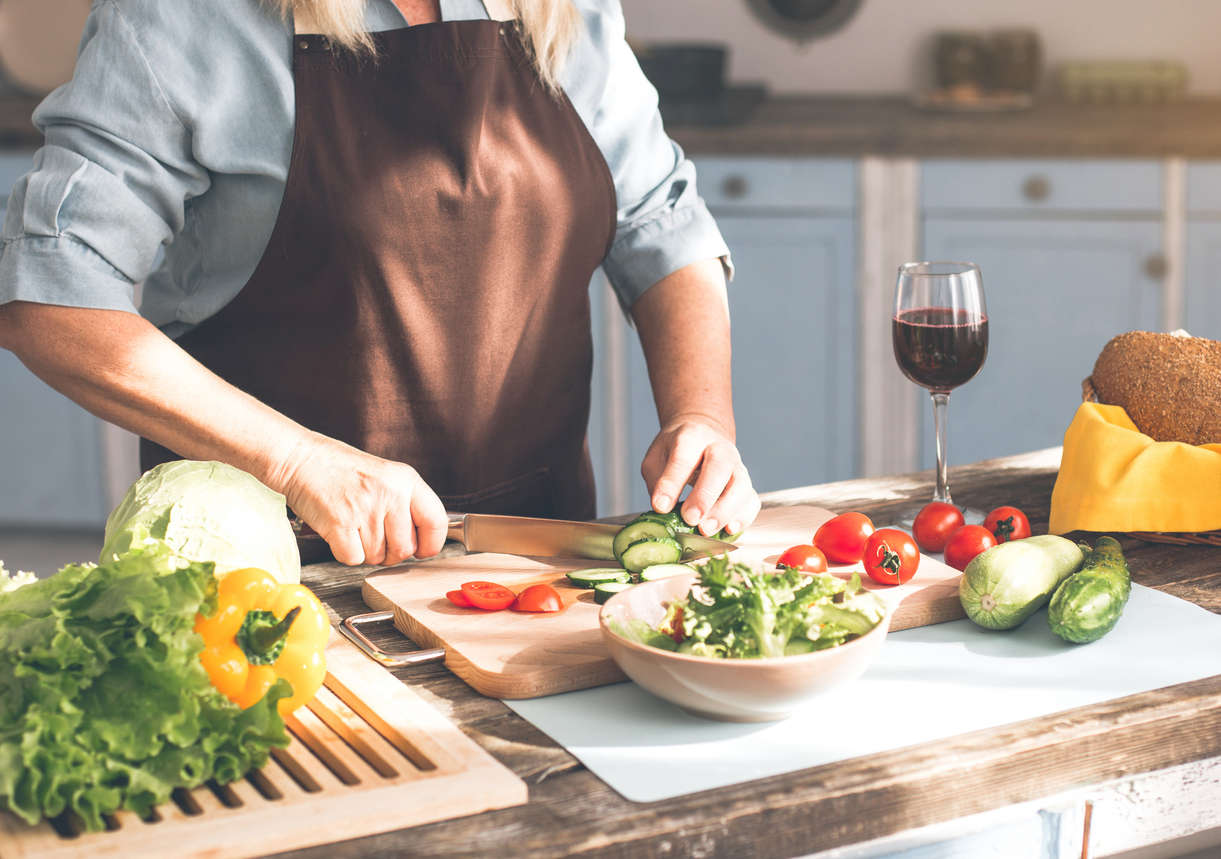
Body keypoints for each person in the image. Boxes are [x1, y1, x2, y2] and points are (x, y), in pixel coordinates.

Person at [0, 0, 759, 566]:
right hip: (271, 567)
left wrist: (700, 415)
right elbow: (48, 295)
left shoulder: (560, 9)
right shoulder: (182, 19)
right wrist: (299, 463)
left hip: (529, 558)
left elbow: (659, 221)